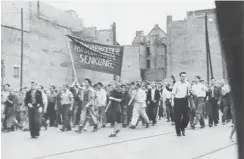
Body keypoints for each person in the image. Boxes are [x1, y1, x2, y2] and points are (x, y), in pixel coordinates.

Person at [172, 72, 190, 137]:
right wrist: (172, 101)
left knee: (186, 117)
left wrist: (189, 94)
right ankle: (178, 132)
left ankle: (182, 127)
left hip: (184, 100)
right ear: (180, 76)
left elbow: (189, 92)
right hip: (177, 100)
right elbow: (173, 93)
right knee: (178, 117)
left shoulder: (187, 84)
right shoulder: (176, 84)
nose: (183, 77)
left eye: (184, 76)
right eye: (182, 76)